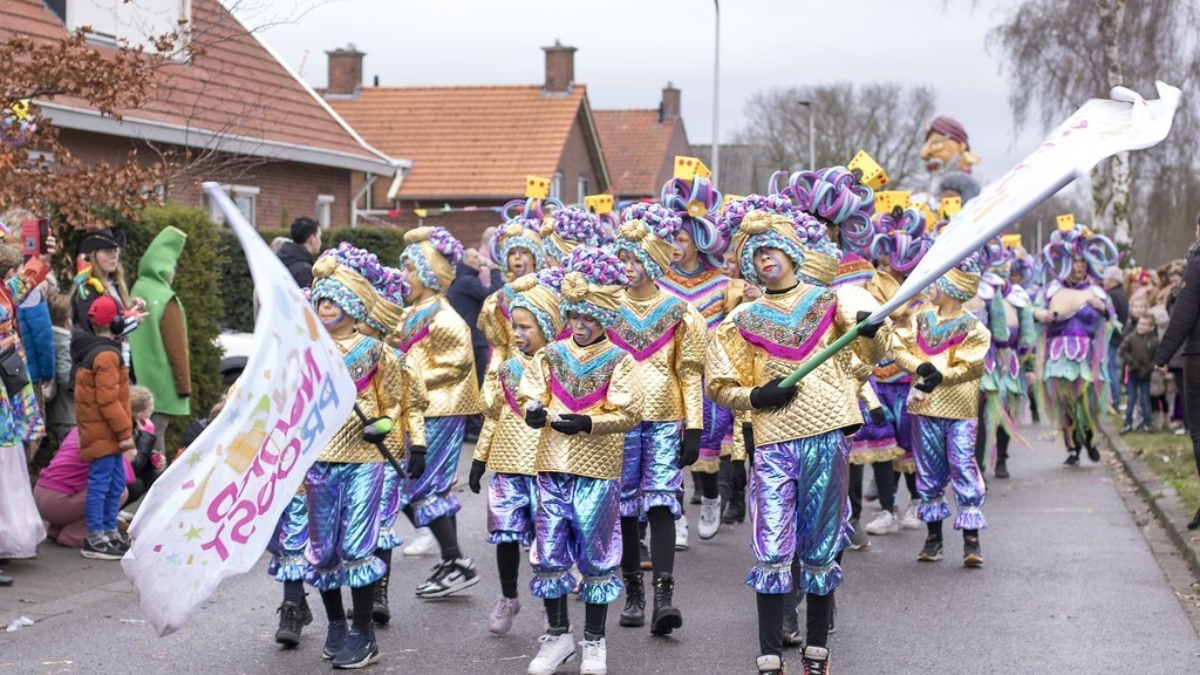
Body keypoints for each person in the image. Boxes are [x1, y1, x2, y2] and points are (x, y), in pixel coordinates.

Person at [707, 194, 887, 675]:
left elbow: (867, 359)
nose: (765, 258)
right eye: (755, 254)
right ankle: (768, 649)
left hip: (827, 430)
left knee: (822, 539)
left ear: (791, 252)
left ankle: (816, 649)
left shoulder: (831, 302)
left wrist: (870, 331)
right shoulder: (740, 320)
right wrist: (755, 397)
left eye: (772, 249)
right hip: (772, 439)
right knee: (770, 539)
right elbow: (722, 384)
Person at [519, 246, 641, 675]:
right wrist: (534, 409)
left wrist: (585, 422)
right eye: (574, 317)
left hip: (598, 470)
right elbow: (531, 391)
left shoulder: (621, 359)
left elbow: (627, 412)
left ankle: (594, 641)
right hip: (551, 465)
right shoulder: (550, 354)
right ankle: (556, 635)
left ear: (605, 318)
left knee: (596, 554)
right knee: (548, 551)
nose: (580, 326)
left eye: (589, 319)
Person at [303, 243, 423, 668]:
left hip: (364, 460)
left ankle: (364, 632)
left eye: (334, 300)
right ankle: (336, 623)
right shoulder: (306, 353)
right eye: (321, 300)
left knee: (357, 545)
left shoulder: (375, 352)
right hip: (318, 460)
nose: (327, 307)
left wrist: (383, 425)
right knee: (323, 550)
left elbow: (394, 403)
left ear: (353, 305)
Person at [609, 203, 705, 636]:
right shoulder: (607, 308)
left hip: (667, 420)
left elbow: (689, 371)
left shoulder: (682, 312)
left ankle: (664, 598)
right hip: (621, 422)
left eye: (635, 259)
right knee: (626, 507)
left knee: (663, 502)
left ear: (654, 260)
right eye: (623, 258)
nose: (627, 267)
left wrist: (695, 426)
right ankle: (633, 592)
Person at [468, 267, 563, 635]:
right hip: (508, 463)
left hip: (545, 464)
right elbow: (493, 416)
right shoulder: (505, 369)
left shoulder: (560, 365)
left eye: (527, 327)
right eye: (515, 326)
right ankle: (508, 596)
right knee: (505, 533)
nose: (518, 334)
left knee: (546, 539)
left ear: (548, 327)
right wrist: (479, 460)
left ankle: (548, 604)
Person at [396, 226, 483, 598]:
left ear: (430, 274)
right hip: (417, 411)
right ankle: (452, 559)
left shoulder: (445, 318)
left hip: (441, 410)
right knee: (411, 488)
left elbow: (457, 365)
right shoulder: (413, 313)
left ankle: (456, 561)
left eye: (411, 271)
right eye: (403, 270)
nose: (404, 278)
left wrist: (406, 378)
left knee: (424, 486)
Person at [894, 254, 990, 566]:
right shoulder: (921, 318)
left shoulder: (975, 327)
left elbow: (971, 366)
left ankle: (971, 539)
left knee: (962, 464)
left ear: (952, 287)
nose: (931, 287)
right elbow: (899, 347)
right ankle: (933, 537)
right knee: (929, 469)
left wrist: (940, 376)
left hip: (960, 409)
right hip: (924, 406)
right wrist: (919, 366)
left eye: (938, 282)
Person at [1033, 222, 1118, 465]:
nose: (1079, 267)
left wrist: (1103, 310)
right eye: (1075, 262)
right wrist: (1039, 315)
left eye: (1082, 262)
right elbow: (1032, 309)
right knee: (1066, 404)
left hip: (1087, 358)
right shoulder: (1051, 290)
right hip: (1058, 357)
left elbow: (1113, 318)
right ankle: (1073, 449)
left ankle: (1090, 438)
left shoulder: (1096, 292)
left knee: (1087, 402)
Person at [0, 240, 54, 583]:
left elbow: (21, 285)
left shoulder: (3, 290)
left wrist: (40, 258)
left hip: (5, 384)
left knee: (6, 456)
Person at [72, 294, 134, 561]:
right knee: (102, 484)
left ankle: (109, 532)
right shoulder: (107, 356)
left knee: (114, 482)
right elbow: (109, 401)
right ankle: (96, 537)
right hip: (106, 434)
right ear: (117, 323)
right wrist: (125, 434)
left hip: (101, 432)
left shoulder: (93, 350)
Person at [1154, 215, 1200, 530]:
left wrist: (1162, 354)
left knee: (1198, 431)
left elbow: (1184, 315)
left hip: (1197, 353)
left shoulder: (1196, 261)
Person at [128, 226, 191, 455]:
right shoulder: (166, 298)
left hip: (133, 386)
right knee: (155, 450)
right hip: (159, 389)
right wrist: (184, 386)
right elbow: (177, 348)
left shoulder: (136, 288)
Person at [34, 425, 132, 548]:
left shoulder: (79, 429)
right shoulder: (106, 436)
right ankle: (74, 534)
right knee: (119, 491)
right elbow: (124, 478)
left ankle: (57, 529)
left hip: (41, 492)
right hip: (58, 502)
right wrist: (127, 458)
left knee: (92, 484)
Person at [446, 246, 494, 444]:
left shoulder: (460, 280)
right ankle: (473, 428)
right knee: (476, 384)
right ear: (465, 260)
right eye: (474, 257)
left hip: (468, 340)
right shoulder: (467, 281)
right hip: (474, 340)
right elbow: (491, 294)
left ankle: (470, 426)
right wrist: (494, 271)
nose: (478, 259)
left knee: (471, 383)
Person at [45, 291, 76, 445]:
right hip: (67, 412)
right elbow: (65, 373)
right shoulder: (63, 342)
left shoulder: (51, 337)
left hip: (61, 412)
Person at [1121, 313, 1158, 433]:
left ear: (1151, 327)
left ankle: (1148, 423)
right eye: (1140, 323)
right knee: (1131, 398)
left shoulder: (1154, 341)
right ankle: (1127, 422)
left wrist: (1149, 367)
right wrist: (1132, 362)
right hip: (1133, 372)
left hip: (1146, 374)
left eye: (1144, 324)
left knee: (1145, 398)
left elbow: (1156, 357)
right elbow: (1122, 350)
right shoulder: (1131, 337)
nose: (1141, 326)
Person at [1104, 266, 1130, 412]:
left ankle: (1113, 400)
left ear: (1112, 280)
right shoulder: (1122, 293)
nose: (1104, 281)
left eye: (1106, 278)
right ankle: (1114, 399)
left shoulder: (1112, 296)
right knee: (1112, 367)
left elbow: (1110, 316)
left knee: (1110, 368)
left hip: (1111, 336)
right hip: (1117, 336)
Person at [277, 217, 321, 289]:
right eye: (319, 236)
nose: (320, 241)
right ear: (312, 239)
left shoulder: (281, 258)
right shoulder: (304, 270)